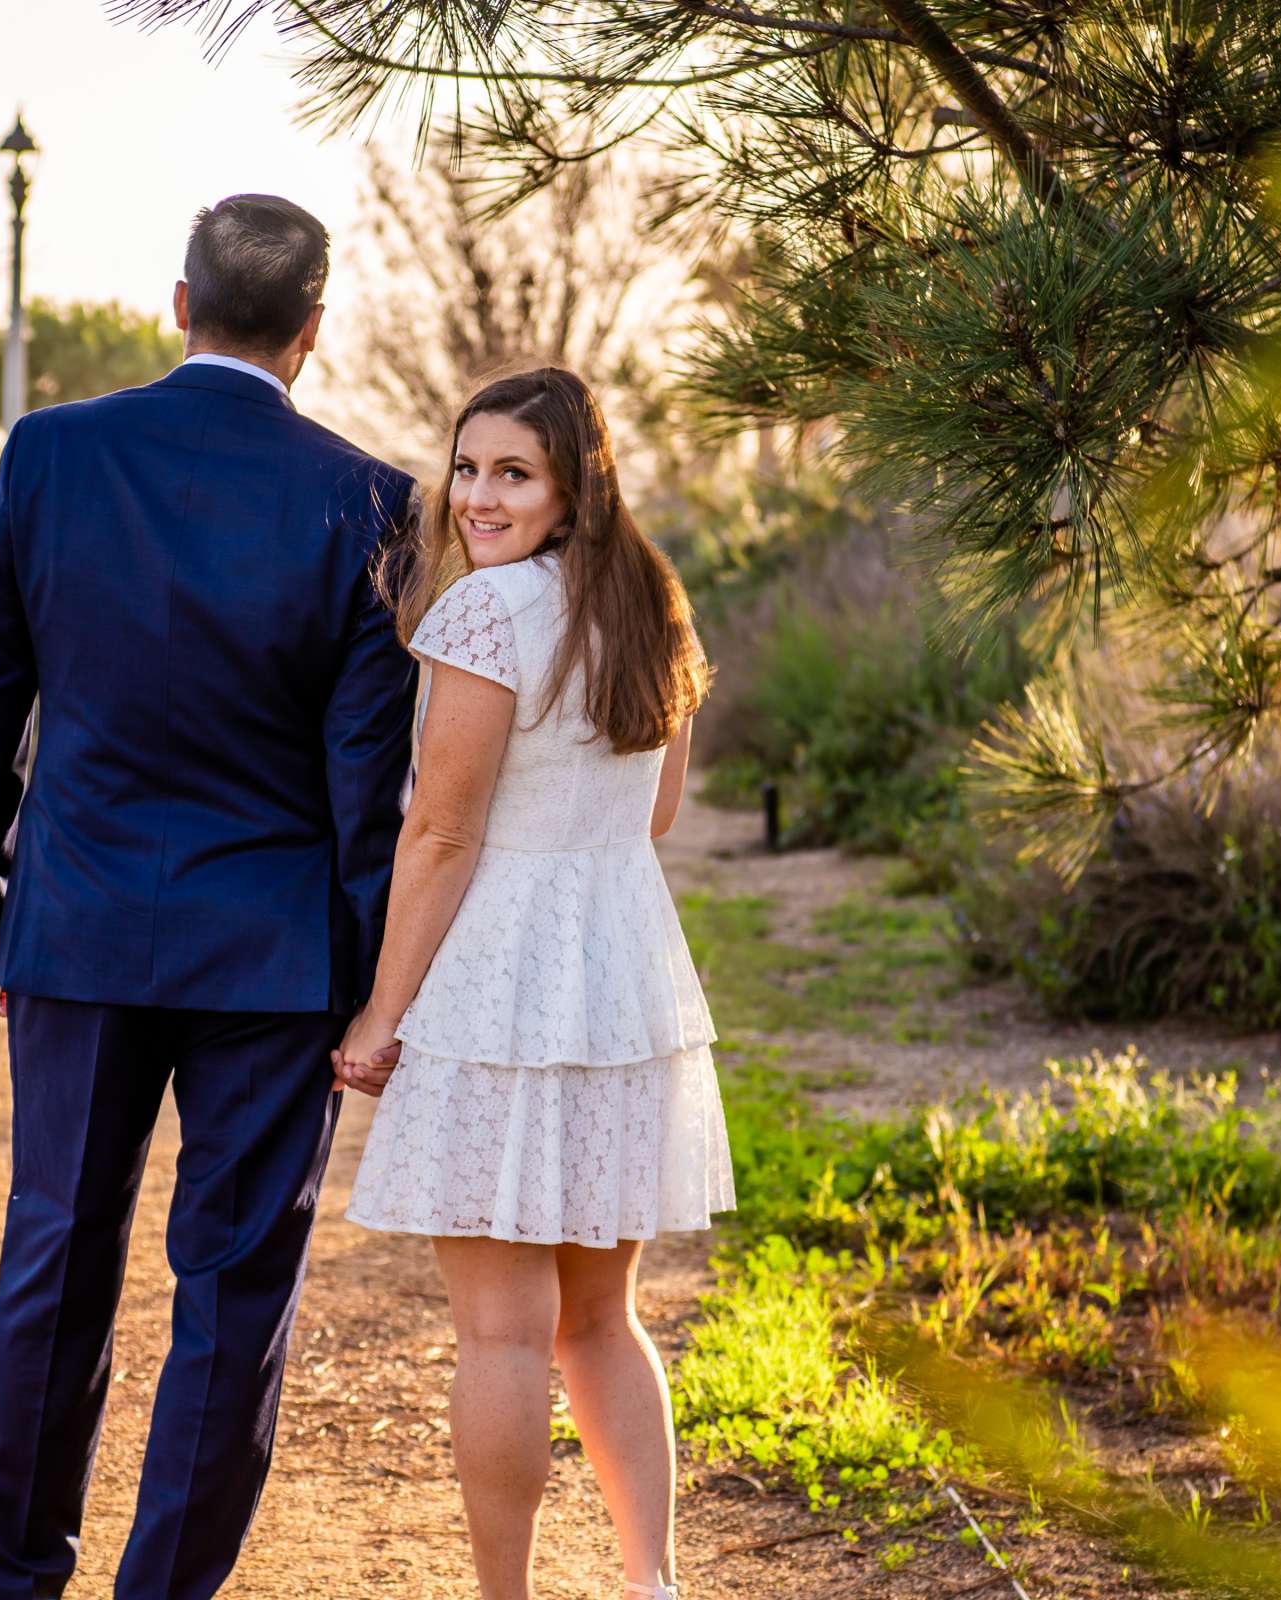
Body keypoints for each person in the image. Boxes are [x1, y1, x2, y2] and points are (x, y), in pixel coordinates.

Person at [0, 194, 418, 1600]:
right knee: (232, 1297)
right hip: (274, 961)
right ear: (314, 332)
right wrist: (378, 983)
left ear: (177, 304)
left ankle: (9, 1586)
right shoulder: (372, 502)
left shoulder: (52, 455)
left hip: (79, 927)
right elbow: (363, 787)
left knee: (54, 1259)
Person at [335, 366, 736, 1600]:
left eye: (512, 472)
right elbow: (658, 808)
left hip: (502, 977)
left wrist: (381, 1014)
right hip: (621, 972)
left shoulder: (484, 613)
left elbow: (441, 833)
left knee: (502, 1331)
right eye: (466, 469)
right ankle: (647, 1581)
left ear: (572, 483)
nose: (478, 496)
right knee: (600, 1320)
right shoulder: (654, 601)